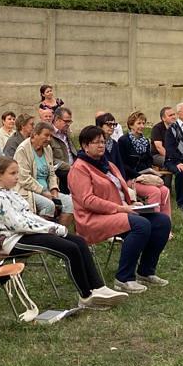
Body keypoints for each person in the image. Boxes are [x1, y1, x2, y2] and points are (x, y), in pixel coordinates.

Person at [0, 157, 127, 309]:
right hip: (15, 240)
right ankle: (86, 296)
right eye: (12, 173)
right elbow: (18, 225)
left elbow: (29, 217)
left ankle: (98, 287)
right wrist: (51, 229)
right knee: (69, 249)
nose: (17, 177)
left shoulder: (10, 192)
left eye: (17, 173)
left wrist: (52, 226)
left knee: (79, 241)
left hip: (28, 233)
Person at [69, 125, 171, 294]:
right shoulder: (79, 168)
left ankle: (146, 271)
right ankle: (124, 278)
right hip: (93, 218)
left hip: (120, 211)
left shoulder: (108, 164)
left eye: (103, 142)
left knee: (162, 221)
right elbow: (87, 201)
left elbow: (121, 189)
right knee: (141, 225)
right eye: (96, 142)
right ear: (85, 146)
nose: (101, 145)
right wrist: (121, 208)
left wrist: (134, 203)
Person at [14, 122, 75, 229]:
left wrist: (54, 189)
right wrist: (43, 192)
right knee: (48, 205)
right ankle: (40, 234)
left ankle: (59, 233)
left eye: (51, 136)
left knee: (70, 203)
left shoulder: (47, 149)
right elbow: (24, 178)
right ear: (35, 134)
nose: (49, 139)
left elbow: (52, 173)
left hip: (47, 191)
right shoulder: (23, 150)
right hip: (28, 191)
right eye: (46, 135)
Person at [117, 111, 172, 219]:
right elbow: (122, 164)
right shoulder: (123, 141)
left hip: (145, 176)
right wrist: (138, 175)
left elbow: (149, 161)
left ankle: (166, 222)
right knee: (154, 191)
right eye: (139, 123)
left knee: (165, 190)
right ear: (131, 125)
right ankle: (154, 222)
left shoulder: (146, 141)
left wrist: (148, 172)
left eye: (143, 123)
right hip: (131, 178)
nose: (142, 126)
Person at [96, 112, 125, 176]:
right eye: (109, 124)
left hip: (116, 177)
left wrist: (122, 179)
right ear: (100, 126)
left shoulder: (114, 143)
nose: (112, 127)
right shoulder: (95, 144)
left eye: (114, 124)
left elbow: (120, 165)